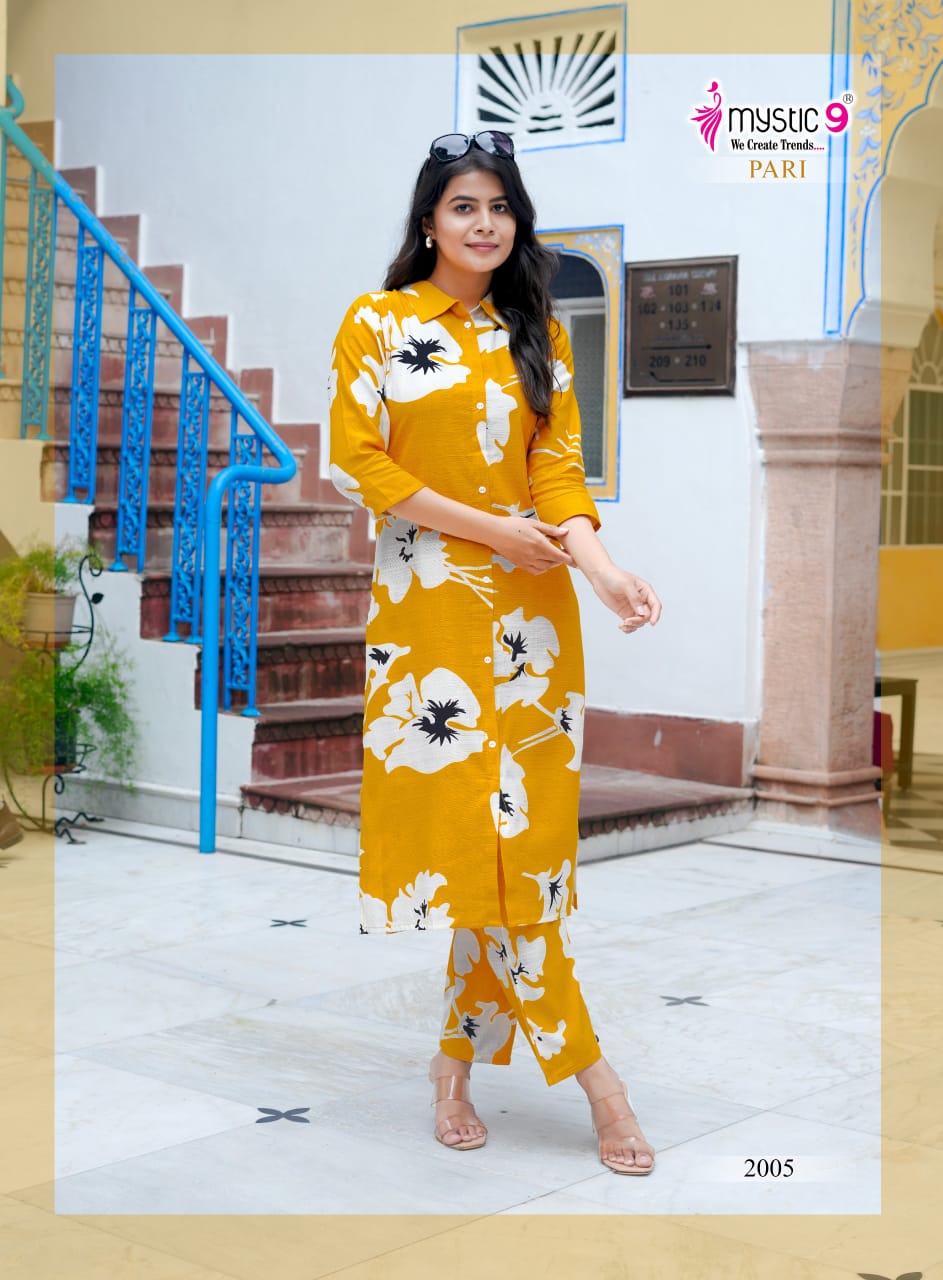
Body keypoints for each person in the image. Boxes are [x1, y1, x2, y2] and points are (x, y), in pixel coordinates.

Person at [328, 130, 663, 1176]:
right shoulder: (378, 322)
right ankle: (599, 1082)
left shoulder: (537, 333)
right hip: (427, 616)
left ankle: (451, 1068)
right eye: (463, 205)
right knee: (484, 853)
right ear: (428, 221)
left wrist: (601, 569)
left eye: (500, 206)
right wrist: (491, 531)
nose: (484, 223)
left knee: (519, 858)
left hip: (532, 623)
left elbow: (557, 471)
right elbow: (361, 463)